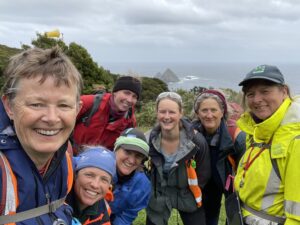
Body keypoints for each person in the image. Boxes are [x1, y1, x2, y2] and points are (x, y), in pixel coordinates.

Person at [0, 47, 83, 224]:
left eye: (64, 105)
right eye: (37, 104)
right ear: (9, 106)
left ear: (78, 109)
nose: (52, 118)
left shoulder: (65, 160)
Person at [234, 65, 300, 225]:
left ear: (284, 91)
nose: (257, 100)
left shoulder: (295, 140)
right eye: (251, 94)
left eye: (265, 91)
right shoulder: (257, 130)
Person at [146, 92, 211, 225]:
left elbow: (204, 174)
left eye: (172, 112)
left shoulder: (196, 141)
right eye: (162, 112)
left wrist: (192, 190)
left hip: (187, 193)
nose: (167, 117)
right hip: (159, 193)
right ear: (157, 113)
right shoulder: (150, 139)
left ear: (181, 113)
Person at [192, 89, 246, 225]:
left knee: (233, 218)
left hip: (229, 184)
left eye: (214, 110)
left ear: (222, 112)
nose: (209, 115)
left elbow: (246, 170)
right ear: (197, 113)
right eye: (204, 110)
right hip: (203, 184)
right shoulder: (191, 133)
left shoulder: (237, 137)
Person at [72, 76, 141, 153]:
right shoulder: (87, 103)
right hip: (70, 156)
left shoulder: (130, 121)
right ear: (115, 92)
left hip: (99, 163)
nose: (129, 99)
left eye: (134, 96)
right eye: (126, 93)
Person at [110, 128, 151, 225]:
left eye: (138, 156)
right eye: (127, 152)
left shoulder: (142, 185)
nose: (132, 161)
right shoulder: (97, 168)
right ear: (116, 149)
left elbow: (127, 216)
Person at [67, 146, 116, 225]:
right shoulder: (56, 200)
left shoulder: (102, 213)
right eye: (89, 175)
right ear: (75, 175)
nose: (95, 185)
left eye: (104, 179)